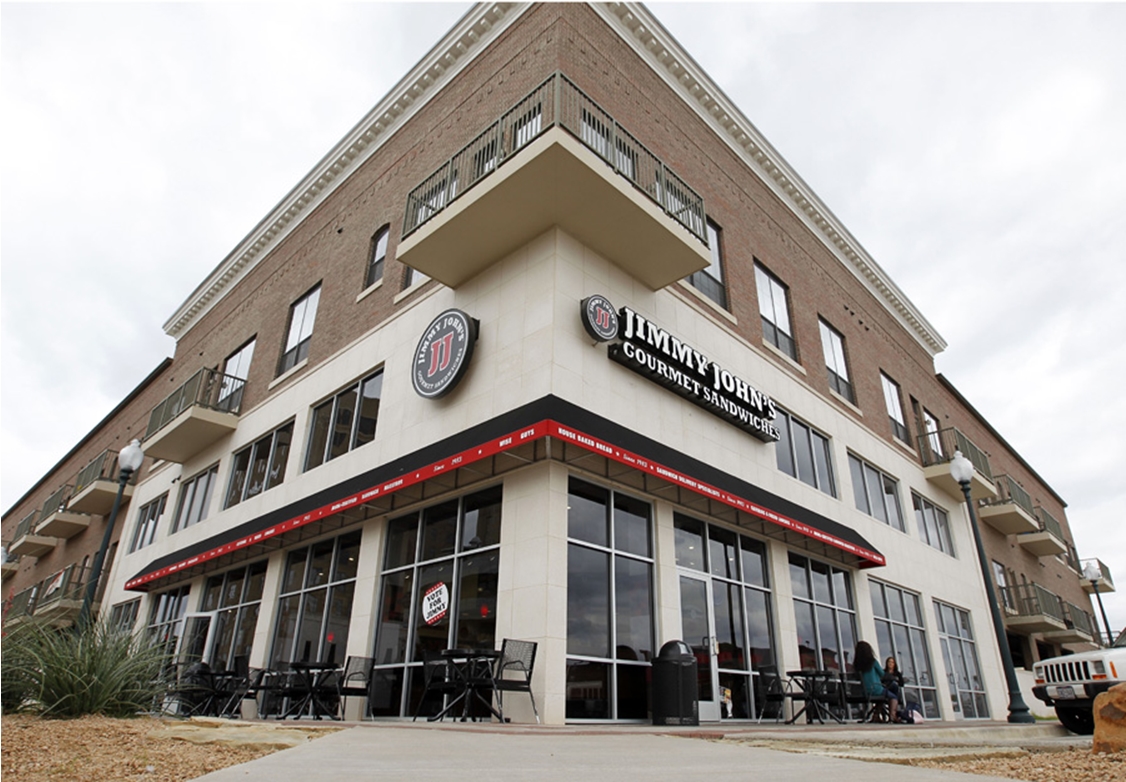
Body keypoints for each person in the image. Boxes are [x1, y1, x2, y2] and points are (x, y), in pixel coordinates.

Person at [853, 641, 898, 722]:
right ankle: (893, 716)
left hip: (865, 691)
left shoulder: (857, 664)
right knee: (893, 696)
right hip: (876, 689)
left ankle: (876, 716)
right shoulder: (873, 662)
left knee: (881, 698)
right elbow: (882, 674)